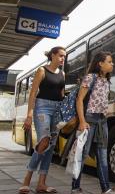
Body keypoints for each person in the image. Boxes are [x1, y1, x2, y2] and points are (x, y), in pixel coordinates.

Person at [71, 51, 115, 194]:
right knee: (82, 154)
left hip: (102, 121)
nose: (112, 64)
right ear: (100, 63)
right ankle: (75, 187)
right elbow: (79, 100)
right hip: (89, 119)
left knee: (102, 156)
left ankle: (106, 189)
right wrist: (82, 121)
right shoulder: (90, 77)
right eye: (109, 61)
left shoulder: (106, 81)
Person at [19, 46, 66, 194]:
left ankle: (41, 184)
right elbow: (33, 93)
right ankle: (27, 179)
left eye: (64, 56)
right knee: (44, 141)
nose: (62, 59)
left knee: (50, 146)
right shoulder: (42, 70)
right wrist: (29, 115)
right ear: (52, 55)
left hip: (57, 109)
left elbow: (62, 94)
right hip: (42, 107)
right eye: (60, 56)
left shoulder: (62, 73)